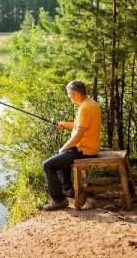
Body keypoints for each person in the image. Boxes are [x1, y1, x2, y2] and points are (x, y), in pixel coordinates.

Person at [43, 80, 101, 210]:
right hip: (90, 146)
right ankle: (67, 189)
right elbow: (82, 126)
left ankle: (59, 200)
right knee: (61, 153)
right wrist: (65, 124)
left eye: (69, 94)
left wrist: (65, 147)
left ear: (76, 94)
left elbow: (78, 135)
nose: (69, 96)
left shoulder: (85, 108)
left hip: (84, 150)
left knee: (48, 166)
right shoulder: (91, 104)